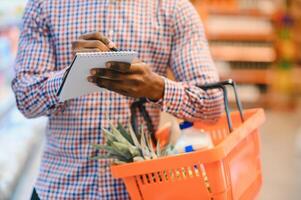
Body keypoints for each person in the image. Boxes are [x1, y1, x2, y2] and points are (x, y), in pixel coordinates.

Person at [12, 0, 222, 199]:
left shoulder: (173, 8)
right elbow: (25, 99)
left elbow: (211, 104)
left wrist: (157, 88)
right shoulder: (45, 5)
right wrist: (73, 76)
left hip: (140, 191)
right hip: (60, 190)